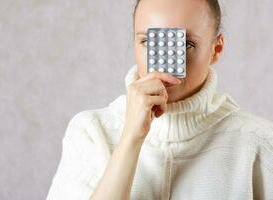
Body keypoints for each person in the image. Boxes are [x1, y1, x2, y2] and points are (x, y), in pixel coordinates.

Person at [46, 0, 273, 199]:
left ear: (216, 48)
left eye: (186, 43)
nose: (163, 65)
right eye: (147, 41)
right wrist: (131, 138)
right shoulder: (90, 131)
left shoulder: (261, 142)